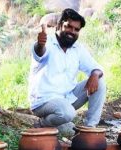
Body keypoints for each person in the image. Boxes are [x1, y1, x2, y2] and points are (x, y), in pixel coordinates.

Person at [29, 8, 105, 137]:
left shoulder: (77, 48)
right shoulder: (48, 43)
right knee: (67, 113)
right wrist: (40, 45)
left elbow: (96, 68)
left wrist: (95, 74)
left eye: (76, 30)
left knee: (100, 82)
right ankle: (43, 123)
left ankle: (89, 129)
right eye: (69, 27)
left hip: (67, 98)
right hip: (44, 101)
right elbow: (39, 52)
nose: (72, 32)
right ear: (59, 25)